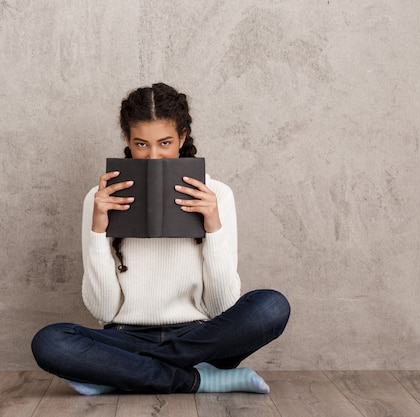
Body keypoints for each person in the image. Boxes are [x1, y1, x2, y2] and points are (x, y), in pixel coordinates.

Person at [31, 82, 290, 395]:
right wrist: (98, 228)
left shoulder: (217, 194)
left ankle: (122, 374)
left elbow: (222, 307)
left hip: (200, 339)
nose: (153, 157)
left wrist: (213, 226)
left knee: (272, 306)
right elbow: (104, 311)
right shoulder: (98, 199)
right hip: (126, 337)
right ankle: (197, 379)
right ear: (127, 140)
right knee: (50, 342)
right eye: (141, 144)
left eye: (165, 142)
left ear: (182, 137)